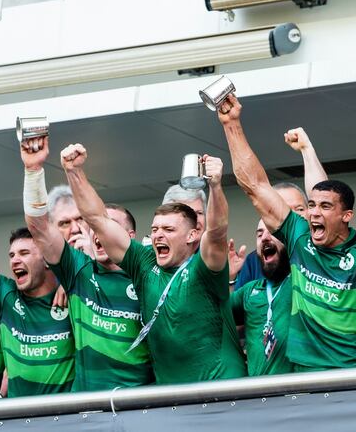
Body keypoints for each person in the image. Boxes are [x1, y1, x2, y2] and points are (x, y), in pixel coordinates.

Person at [216, 94, 356, 371]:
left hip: (349, 377)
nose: (314, 212)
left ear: (346, 216)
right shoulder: (300, 236)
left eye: (324, 207)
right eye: (311, 206)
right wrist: (232, 124)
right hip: (302, 378)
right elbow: (255, 186)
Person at [61, 143, 246, 384]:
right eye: (155, 229)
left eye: (169, 229)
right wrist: (73, 172)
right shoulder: (144, 263)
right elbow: (98, 219)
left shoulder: (205, 267)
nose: (158, 235)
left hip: (223, 390)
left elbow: (218, 230)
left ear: (192, 235)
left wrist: (216, 186)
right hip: (172, 398)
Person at [20, 134, 154, 391]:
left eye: (108, 227)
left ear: (129, 236)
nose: (97, 233)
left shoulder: (148, 271)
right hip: (88, 409)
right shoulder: (78, 270)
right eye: (95, 226)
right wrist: (33, 170)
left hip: (140, 406)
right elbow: (39, 227)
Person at [234, 128, 326, 289]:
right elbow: (255, 186)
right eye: (282, 210)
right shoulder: (257, 260)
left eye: (297, 209)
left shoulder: (323, 248)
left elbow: (323, 197)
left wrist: (307, 150)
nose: (290, 218)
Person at [0, 228, 75, 396]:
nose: (15, 260)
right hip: (18, 418)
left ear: (47, 260)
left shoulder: (74, 297)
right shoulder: (5, 296)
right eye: (12, 255)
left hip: (67, 418)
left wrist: (70, 279)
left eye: (24, 253)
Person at [231, 219, 294, 375]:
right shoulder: (249, 290)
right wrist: (230, 278)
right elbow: (220, 318)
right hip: (258, 394)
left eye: (272, 232)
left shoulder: (301, 282)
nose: (265, 238)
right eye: (259, 234)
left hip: (298, 392)